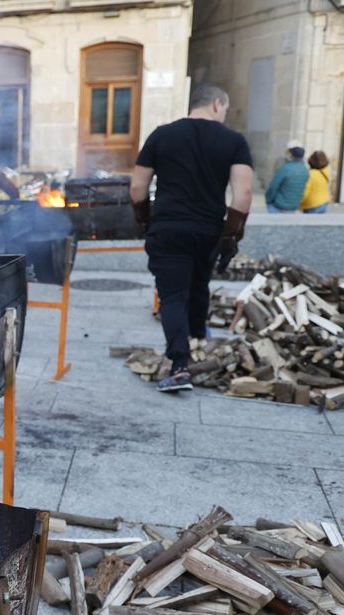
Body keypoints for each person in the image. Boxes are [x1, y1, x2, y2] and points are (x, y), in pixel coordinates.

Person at [130, 84, 253, 393]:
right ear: (216, 104)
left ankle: (180, 365)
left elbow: (137, 188)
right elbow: (243, 195)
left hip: (169, 228)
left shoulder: (161, 134)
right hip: (209, 230)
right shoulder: (234, 141)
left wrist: (145, 221)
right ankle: (200, 341)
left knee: (172, 297)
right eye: (225, 108)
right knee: (199, 286)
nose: (225, 113)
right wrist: (231, 236)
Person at [265, 141, 309, 214]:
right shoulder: (305, 170)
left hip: (279, 206)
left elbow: (273, 187)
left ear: (291, 154)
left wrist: (268, 200)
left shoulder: (285, 169)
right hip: (294, 206)